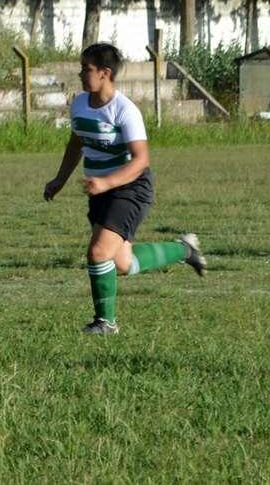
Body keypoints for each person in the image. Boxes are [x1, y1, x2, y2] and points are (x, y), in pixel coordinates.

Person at [44, 42, 207, 335]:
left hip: (131, 188)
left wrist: (107, 182)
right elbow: (76, 143)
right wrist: (60, 179)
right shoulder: (80, 104)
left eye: (86, 69)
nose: (81, 74)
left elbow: (141, 159)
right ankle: (184, 249)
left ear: (105, 73)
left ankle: (105, 323)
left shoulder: (124, 110)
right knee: (122, 262)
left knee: (98, 253)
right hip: (101, 191)